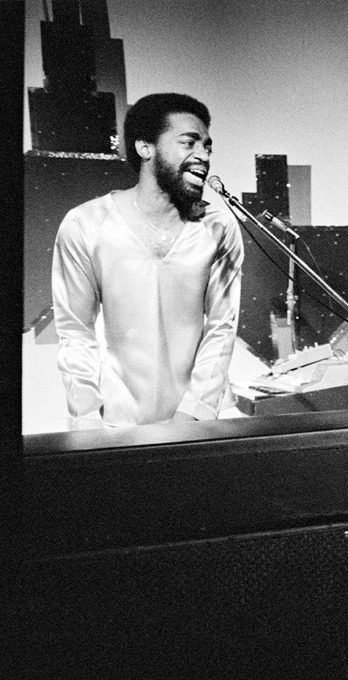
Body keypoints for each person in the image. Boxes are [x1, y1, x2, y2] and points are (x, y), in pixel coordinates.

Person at [52, 93, 243, 430]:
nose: (203, 156)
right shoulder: (85, 224)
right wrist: (87, 421)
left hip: (205, 421)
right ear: (145, 147)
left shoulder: (218, 227)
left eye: (207, 147)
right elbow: (75, 332)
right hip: (118, 425)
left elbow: (221, 327)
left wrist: (192, 413)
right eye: (189, 143)